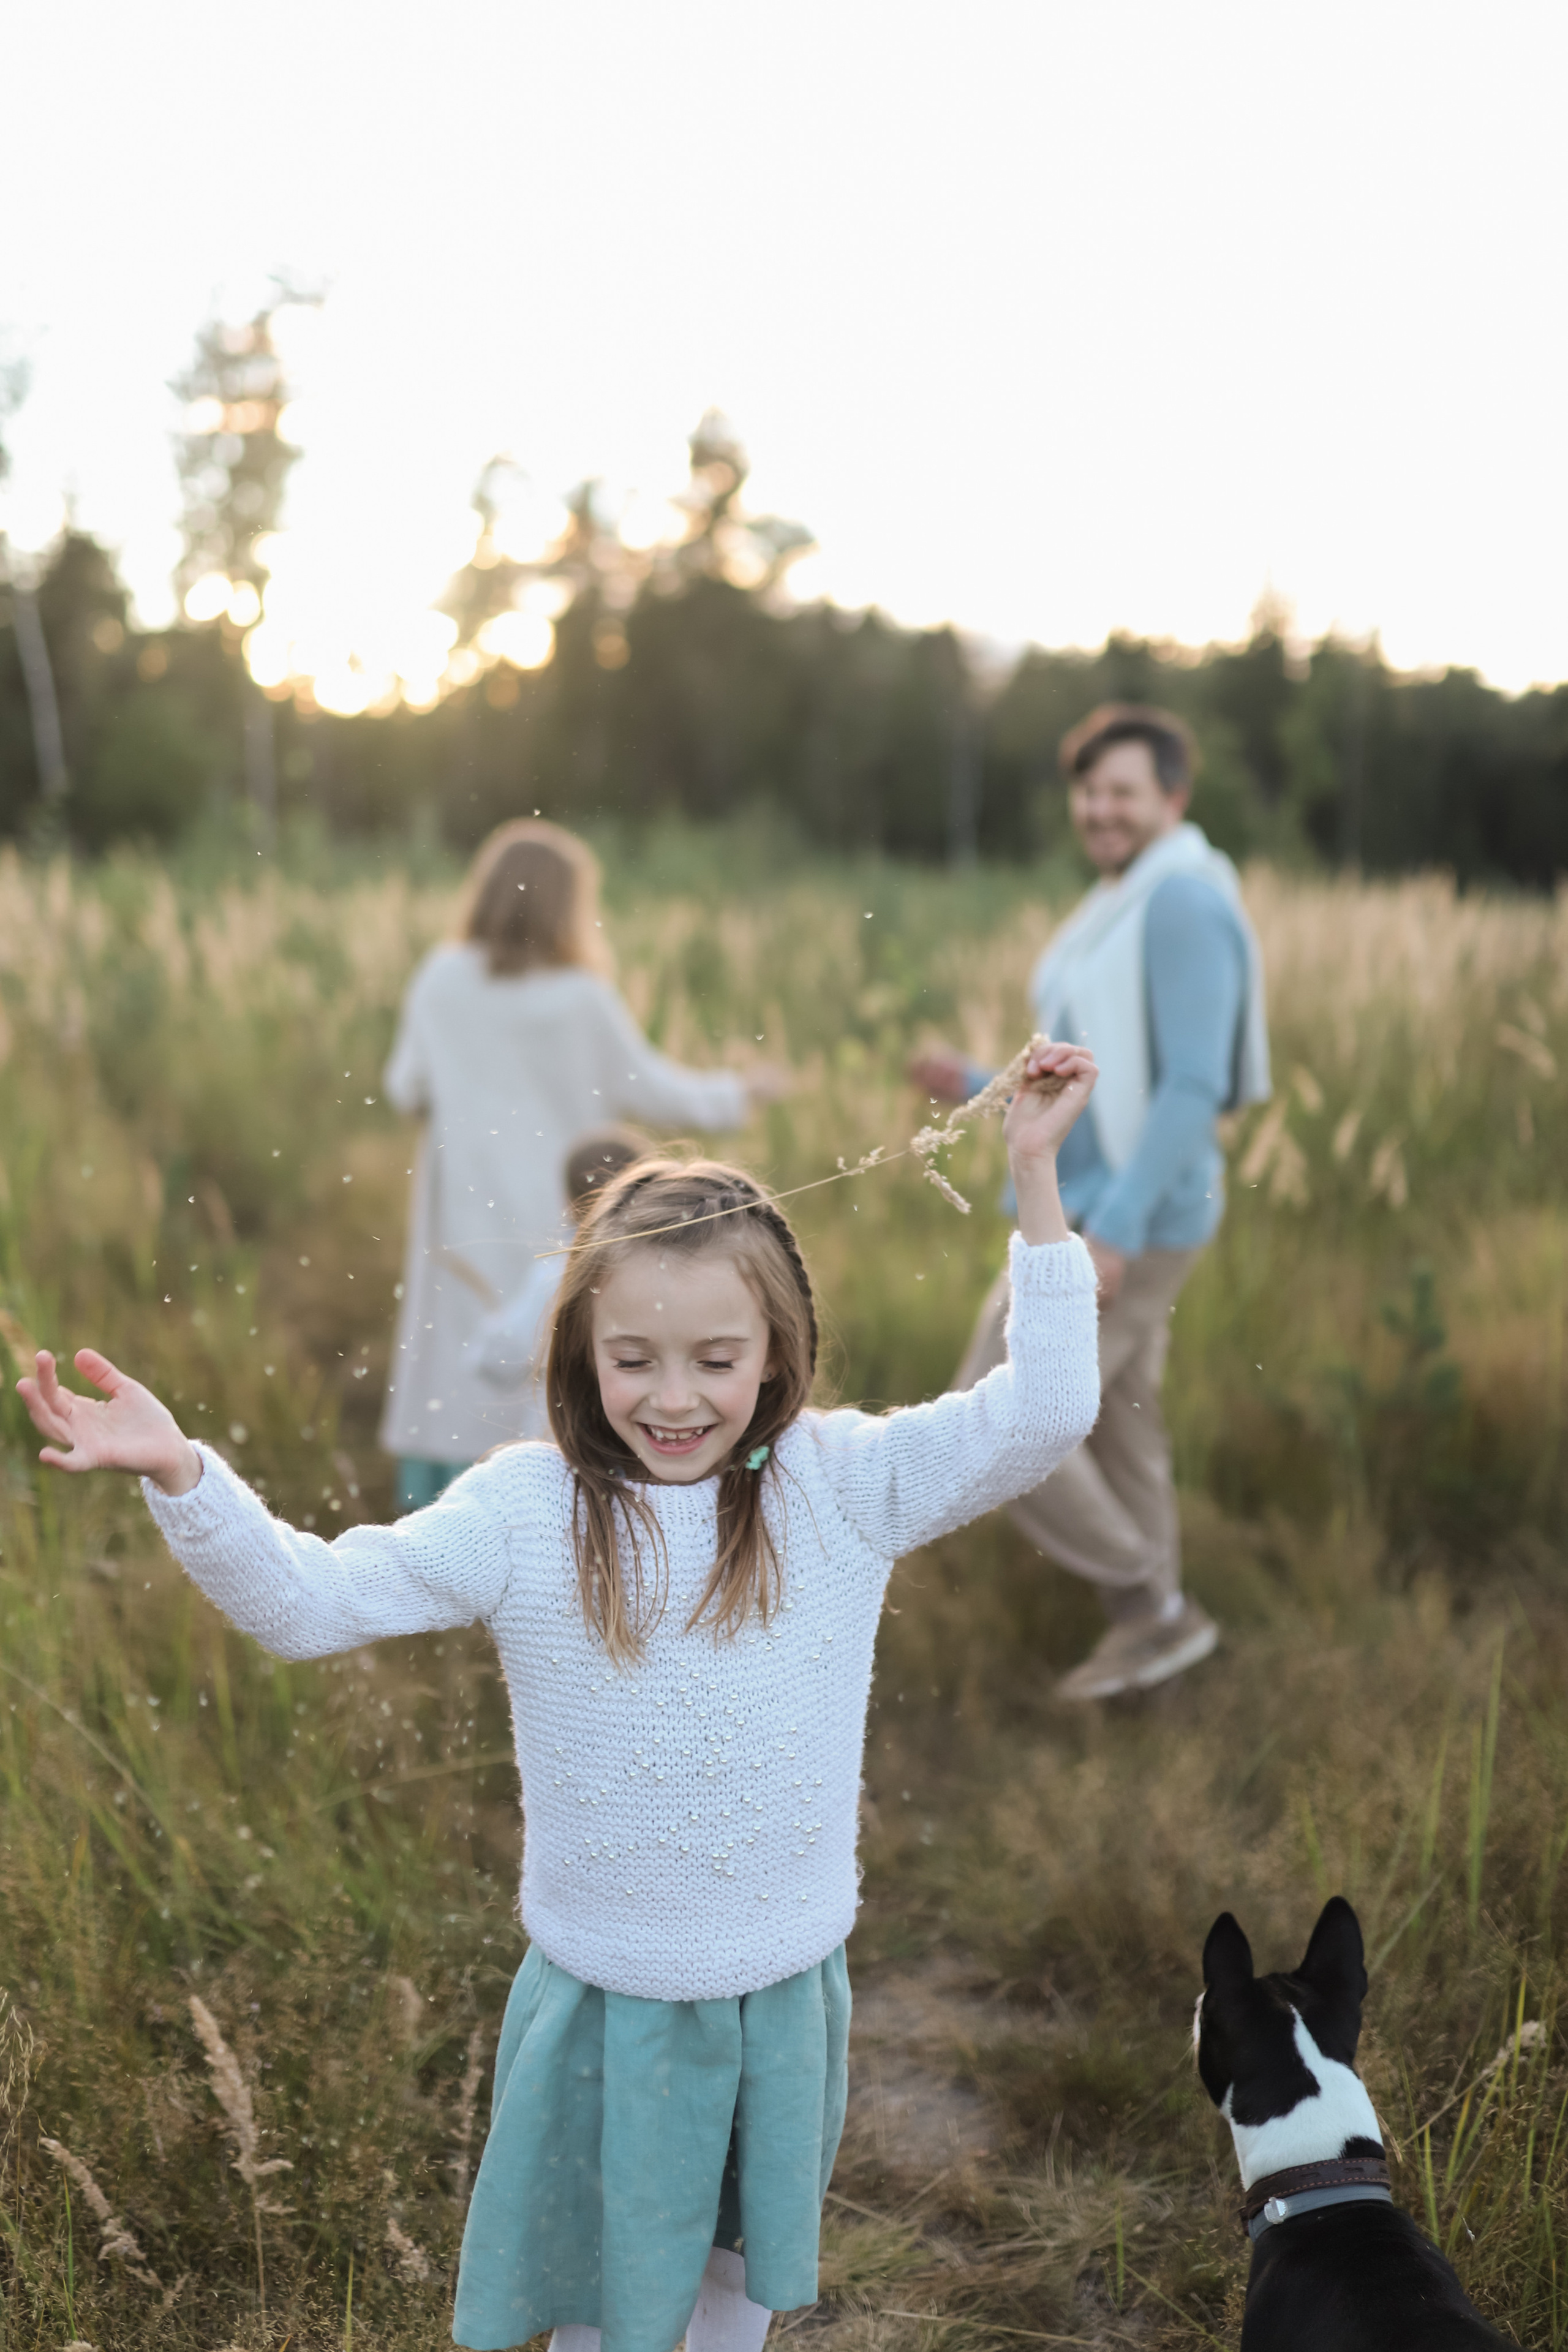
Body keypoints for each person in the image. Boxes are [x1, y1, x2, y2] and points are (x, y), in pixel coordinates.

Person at [17, 1038, 1100, 2352]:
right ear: (580, 1348)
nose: (673, 1395)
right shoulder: (529, 1511)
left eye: (715, 1356)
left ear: (777, 1350)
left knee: (725, 2304)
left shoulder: (842, 1483)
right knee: (606, 2312)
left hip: (778, 1993)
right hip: (607, 2006)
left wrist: (1032, 1180)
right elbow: (310, 1605)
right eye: (632, 1357)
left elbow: (1042, 1412)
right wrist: (184, 1472)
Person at [911, 703, 1270, 1703]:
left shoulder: (1183, 903)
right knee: (1122, 1426)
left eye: (1124, 790)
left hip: (1132, 1218)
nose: (1102, 809)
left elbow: (1191, 1085)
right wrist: (976, 1080)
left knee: (1004, 1409)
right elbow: (1100, 1077)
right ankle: (1159, 1646)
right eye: (1090, 790)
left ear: (1173, 796)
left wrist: (1112, 1232)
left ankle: (1153, 1608)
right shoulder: (1120, 902)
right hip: (1109, 1201)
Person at [382, 819, 771, 1515]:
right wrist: (741, 1093)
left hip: (462, 1208)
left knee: (464, 1360)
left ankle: (444, 1536)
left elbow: (404, 1087)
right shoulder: (579, 997)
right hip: (563, 1203)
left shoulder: (442, 979)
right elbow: (654, 1089)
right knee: (551, 1357)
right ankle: (550, 1520)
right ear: (568, 904)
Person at [473, 1124, 651, 1425]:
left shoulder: (556, 1272)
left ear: (568, 1200)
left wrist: (491, 1333)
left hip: (563, 1427)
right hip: (642, 1423)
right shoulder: (662, 1268)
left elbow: (500, 1361)